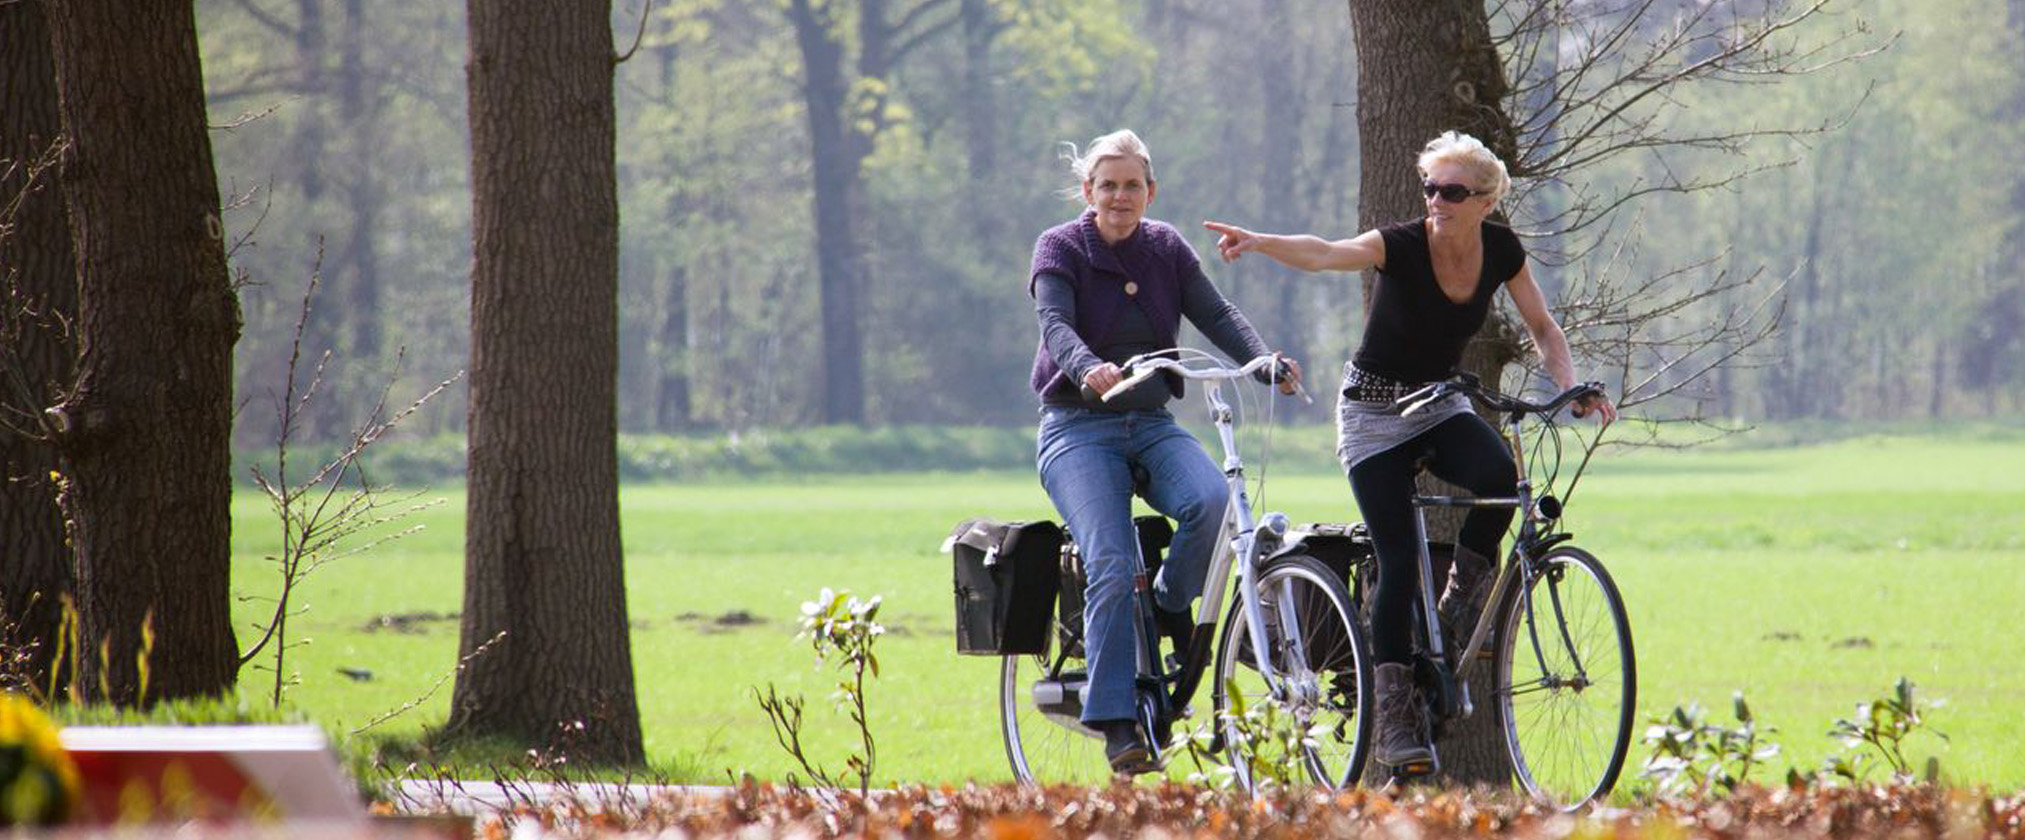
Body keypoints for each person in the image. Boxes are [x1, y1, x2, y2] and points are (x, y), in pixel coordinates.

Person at [1202, 130, 1616, 771]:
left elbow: (1542, 325)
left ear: (1485, 201)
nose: (1436, 201)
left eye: (1452, 191)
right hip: (1371, 412)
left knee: (1502, 481)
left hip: (1438, 403)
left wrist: (1571, 387)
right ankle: (1396, 710)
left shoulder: (1501, 248)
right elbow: (1325, 253)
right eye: (1430, 188)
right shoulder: (1399, 244)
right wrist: (1260, 242)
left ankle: (1453, 616)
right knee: (1396, 558)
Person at [1029, 128, 1302, 775]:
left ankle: (1167, 603)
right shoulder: (1060, 247)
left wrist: (1263, 361)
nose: (1120, 197)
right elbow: (1055, 325)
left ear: (1149, 191)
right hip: (1076, 427)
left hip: (1150, 421)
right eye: (1107, 186)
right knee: (1112, 560)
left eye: (1131, 186)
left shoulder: (1165, 248)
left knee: (1213, 502)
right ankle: (1117, 720)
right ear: (1087, 192)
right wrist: (1087, 365)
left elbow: (1217, 314)